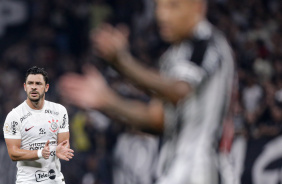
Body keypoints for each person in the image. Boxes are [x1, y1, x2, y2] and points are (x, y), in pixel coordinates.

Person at [60, 0, 235, 183]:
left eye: (173, 6)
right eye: (159, 6)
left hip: (204, 173)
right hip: (175, 172)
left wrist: (123, 63)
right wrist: (107, 101)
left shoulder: (207, 44)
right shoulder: (173, 56)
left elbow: (180, 92)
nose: (161, 15)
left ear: (198, 7)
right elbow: (156, 120)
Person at [3, 66, 74, 184]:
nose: (34, 87)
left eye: (38, 83)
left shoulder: (59, 111)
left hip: (54, 180)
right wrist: (40, 153)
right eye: (30, 83)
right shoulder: (14, 116)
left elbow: (64, 146)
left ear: (46, 87)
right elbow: (13, 153)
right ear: (25, 87)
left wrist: (58, 150)